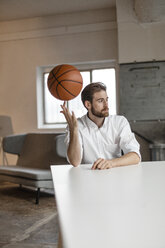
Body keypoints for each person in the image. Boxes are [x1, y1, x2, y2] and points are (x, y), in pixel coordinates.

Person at [60, 82, 141, 170]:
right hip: (87, 177)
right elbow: (75, 162)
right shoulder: (75, 125)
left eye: (106, 100)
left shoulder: (120, 122)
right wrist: (74, 130)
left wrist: (111, 163)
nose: (106, 105)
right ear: (88, 104)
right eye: (100, 101)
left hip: (114, 176)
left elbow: (135, 156)